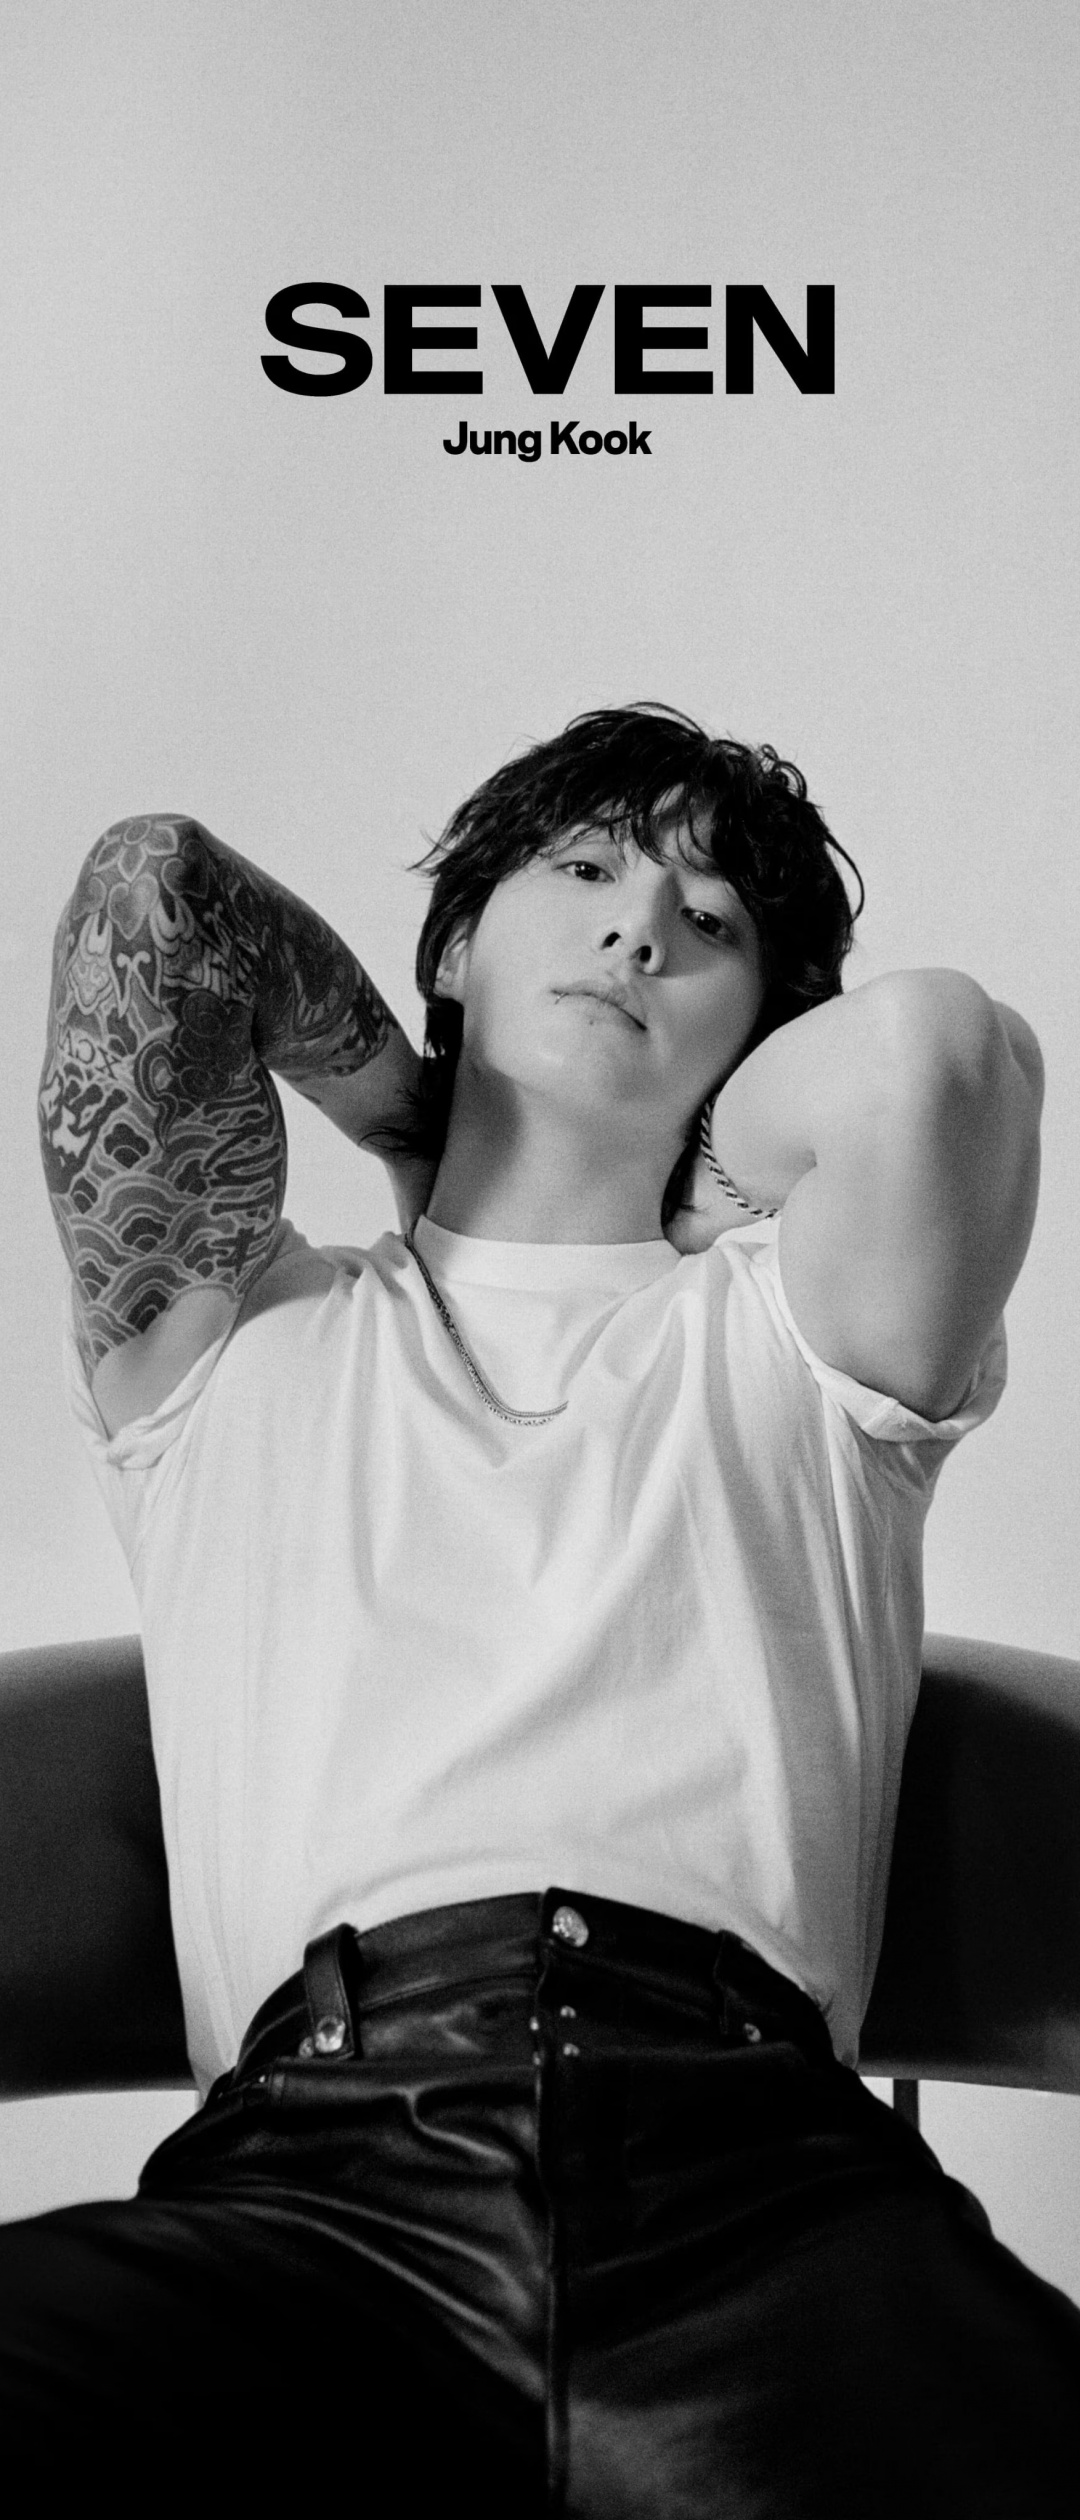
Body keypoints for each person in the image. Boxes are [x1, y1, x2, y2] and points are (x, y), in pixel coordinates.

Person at [8, 705, 1078, 2510]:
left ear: (766, 1026)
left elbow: (943, 1055)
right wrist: (409, 1119)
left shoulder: (804, 1336)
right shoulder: (229, 1329)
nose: (638, 926)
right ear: (453, 947)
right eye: (582, 869)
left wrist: (701, 1186)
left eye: (709, 921)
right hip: (309, 2194)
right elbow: (155, 896)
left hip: (767, 2192)